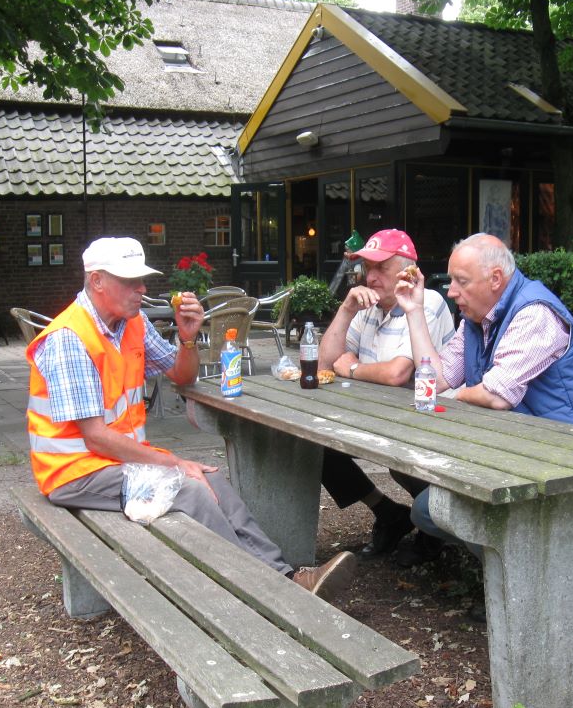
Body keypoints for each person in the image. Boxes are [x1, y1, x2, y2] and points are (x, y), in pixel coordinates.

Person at [25, 236, 356, 600]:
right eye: (130, 281)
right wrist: (175, 463)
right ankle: (261, 592)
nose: (141, 289)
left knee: (211, 478)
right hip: (73, 473)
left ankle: (285, 578)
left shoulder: (132, 323)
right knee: (190, 489)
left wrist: (187, 338)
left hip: (114, 462)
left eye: (141, 279)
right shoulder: (69, 339)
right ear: (97, 280)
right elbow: (96, 437)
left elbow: (182, 376)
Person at [393, 232, 573, 563]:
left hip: (572, 462)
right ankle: (512, 566)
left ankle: (521, 576)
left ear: (495, 279)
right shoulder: (477, 319)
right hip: (523, 452)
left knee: (432, 508)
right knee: (423, 497)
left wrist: (453, 398)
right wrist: (414, 310)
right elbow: (434, 378)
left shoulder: (535, 314)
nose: (451, 291)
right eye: (451, 280)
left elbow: (496, 395)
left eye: (461, 281)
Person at [317, 228, 456, 560]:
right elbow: (324, 363)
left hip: (427, 422)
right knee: (313, 442)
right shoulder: (367, 305)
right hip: (376, 416)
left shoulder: (427, 302)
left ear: (408, 271)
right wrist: (346, 310)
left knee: (401, 466)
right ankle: (388, 513)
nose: (371, 277)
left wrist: (352, 368)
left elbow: (398, 373)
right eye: (368, 267)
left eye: (381, 267)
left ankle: (434, 531)